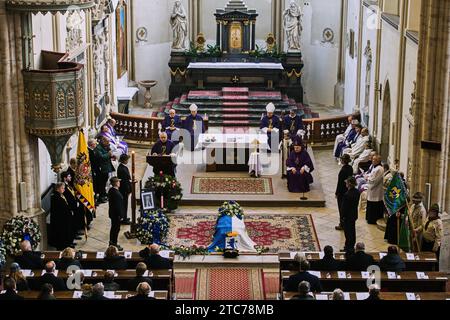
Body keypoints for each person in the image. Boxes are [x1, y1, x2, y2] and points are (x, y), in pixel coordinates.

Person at [49, 182, 75, 250]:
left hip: (65, 217)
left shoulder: (61, 195)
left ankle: (68, 243)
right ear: (58, 189)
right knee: (62, 233)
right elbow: (61, 208)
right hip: (60, 220)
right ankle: (64, 246)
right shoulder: (55, 197)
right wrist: (69, 210)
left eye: (64, 188)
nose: (64, 189)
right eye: (62, 188)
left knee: (67, 231)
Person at [60, 171, 83, 241]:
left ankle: (76, 232)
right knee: (72, 221)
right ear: (64, 178)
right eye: (69, 176)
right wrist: (74, 204)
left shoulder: (68, 184)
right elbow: (67, 198)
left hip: (74, 205)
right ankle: (74, 234)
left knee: (75, 220)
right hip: (70, 206)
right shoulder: (64, 186)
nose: (70, 177)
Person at [341, 177, 360, 253]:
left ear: (349, 184)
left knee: (348, 233)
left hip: (347, 216)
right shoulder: (357, 192)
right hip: (354, 214)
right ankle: (351, 246)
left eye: (346, 182)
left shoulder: (347, 194)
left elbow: (344, 208)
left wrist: (342, 216)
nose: (345, 184)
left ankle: (348, 248)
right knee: (352, 231)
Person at [335, 154, 354, 230]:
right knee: (347, 208)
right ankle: (346, 223)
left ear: (343, 161)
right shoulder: (350, 168)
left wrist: (337, 192)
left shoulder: (343, 170)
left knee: (341, 208)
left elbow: (339, 183)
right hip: (348, 190)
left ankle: (342, 224)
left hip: (342, 192)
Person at [95, 136, 115, 203]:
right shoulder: (98, 148)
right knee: (102, 183)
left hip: (106, 168)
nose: (108, 144)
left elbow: (108, 152)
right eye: (107, 142)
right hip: (102, 169)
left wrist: (111, 156)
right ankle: (101, 197)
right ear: (103, 141)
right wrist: (108, 154)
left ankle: (103, 194)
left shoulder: (105, 146)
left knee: (104, 182)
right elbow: (101, 157)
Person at [365, 155, 384, 224]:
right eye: (372, 159)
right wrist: (368, 177)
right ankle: (369, 219)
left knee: (374, 205)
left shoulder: (379, 169)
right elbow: (372, 176)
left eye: (374, 160)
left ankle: (373, 220)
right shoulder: (375, 167)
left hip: (375, 190)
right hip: (373, 190)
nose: (373, 161)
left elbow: (375, 180)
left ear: (378, 161)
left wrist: (367, 178)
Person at [108, 177, 123, 251]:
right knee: (116, 229)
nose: (119, 183)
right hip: (116, 215)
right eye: (118, 182)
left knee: (113, 228)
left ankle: (112, 243)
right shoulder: (116, 193)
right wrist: (121, 215)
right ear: (116, 183)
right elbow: (118, 206)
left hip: (112, 213)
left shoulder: (111, 190)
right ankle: (114, 244)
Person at [117, 154, 132, 225]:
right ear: (124, 160)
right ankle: (124, 219)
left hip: (124, 189)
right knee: (124, 204)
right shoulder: (122, 169)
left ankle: (124, 217)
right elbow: (125, 182)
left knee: (125, 204)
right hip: (124, 189)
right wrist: (128, 190)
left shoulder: (123, 167)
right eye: (127, 160)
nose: (128, 161)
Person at [88, 138, 100, 203]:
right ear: (92, 144)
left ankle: (95, 198)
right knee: (94, 185)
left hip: (95, 170)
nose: (96, 145)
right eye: (95, 144)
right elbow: (93, 162)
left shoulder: (92, 150)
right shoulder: (90, 151)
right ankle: (94, 200)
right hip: (93, 170)